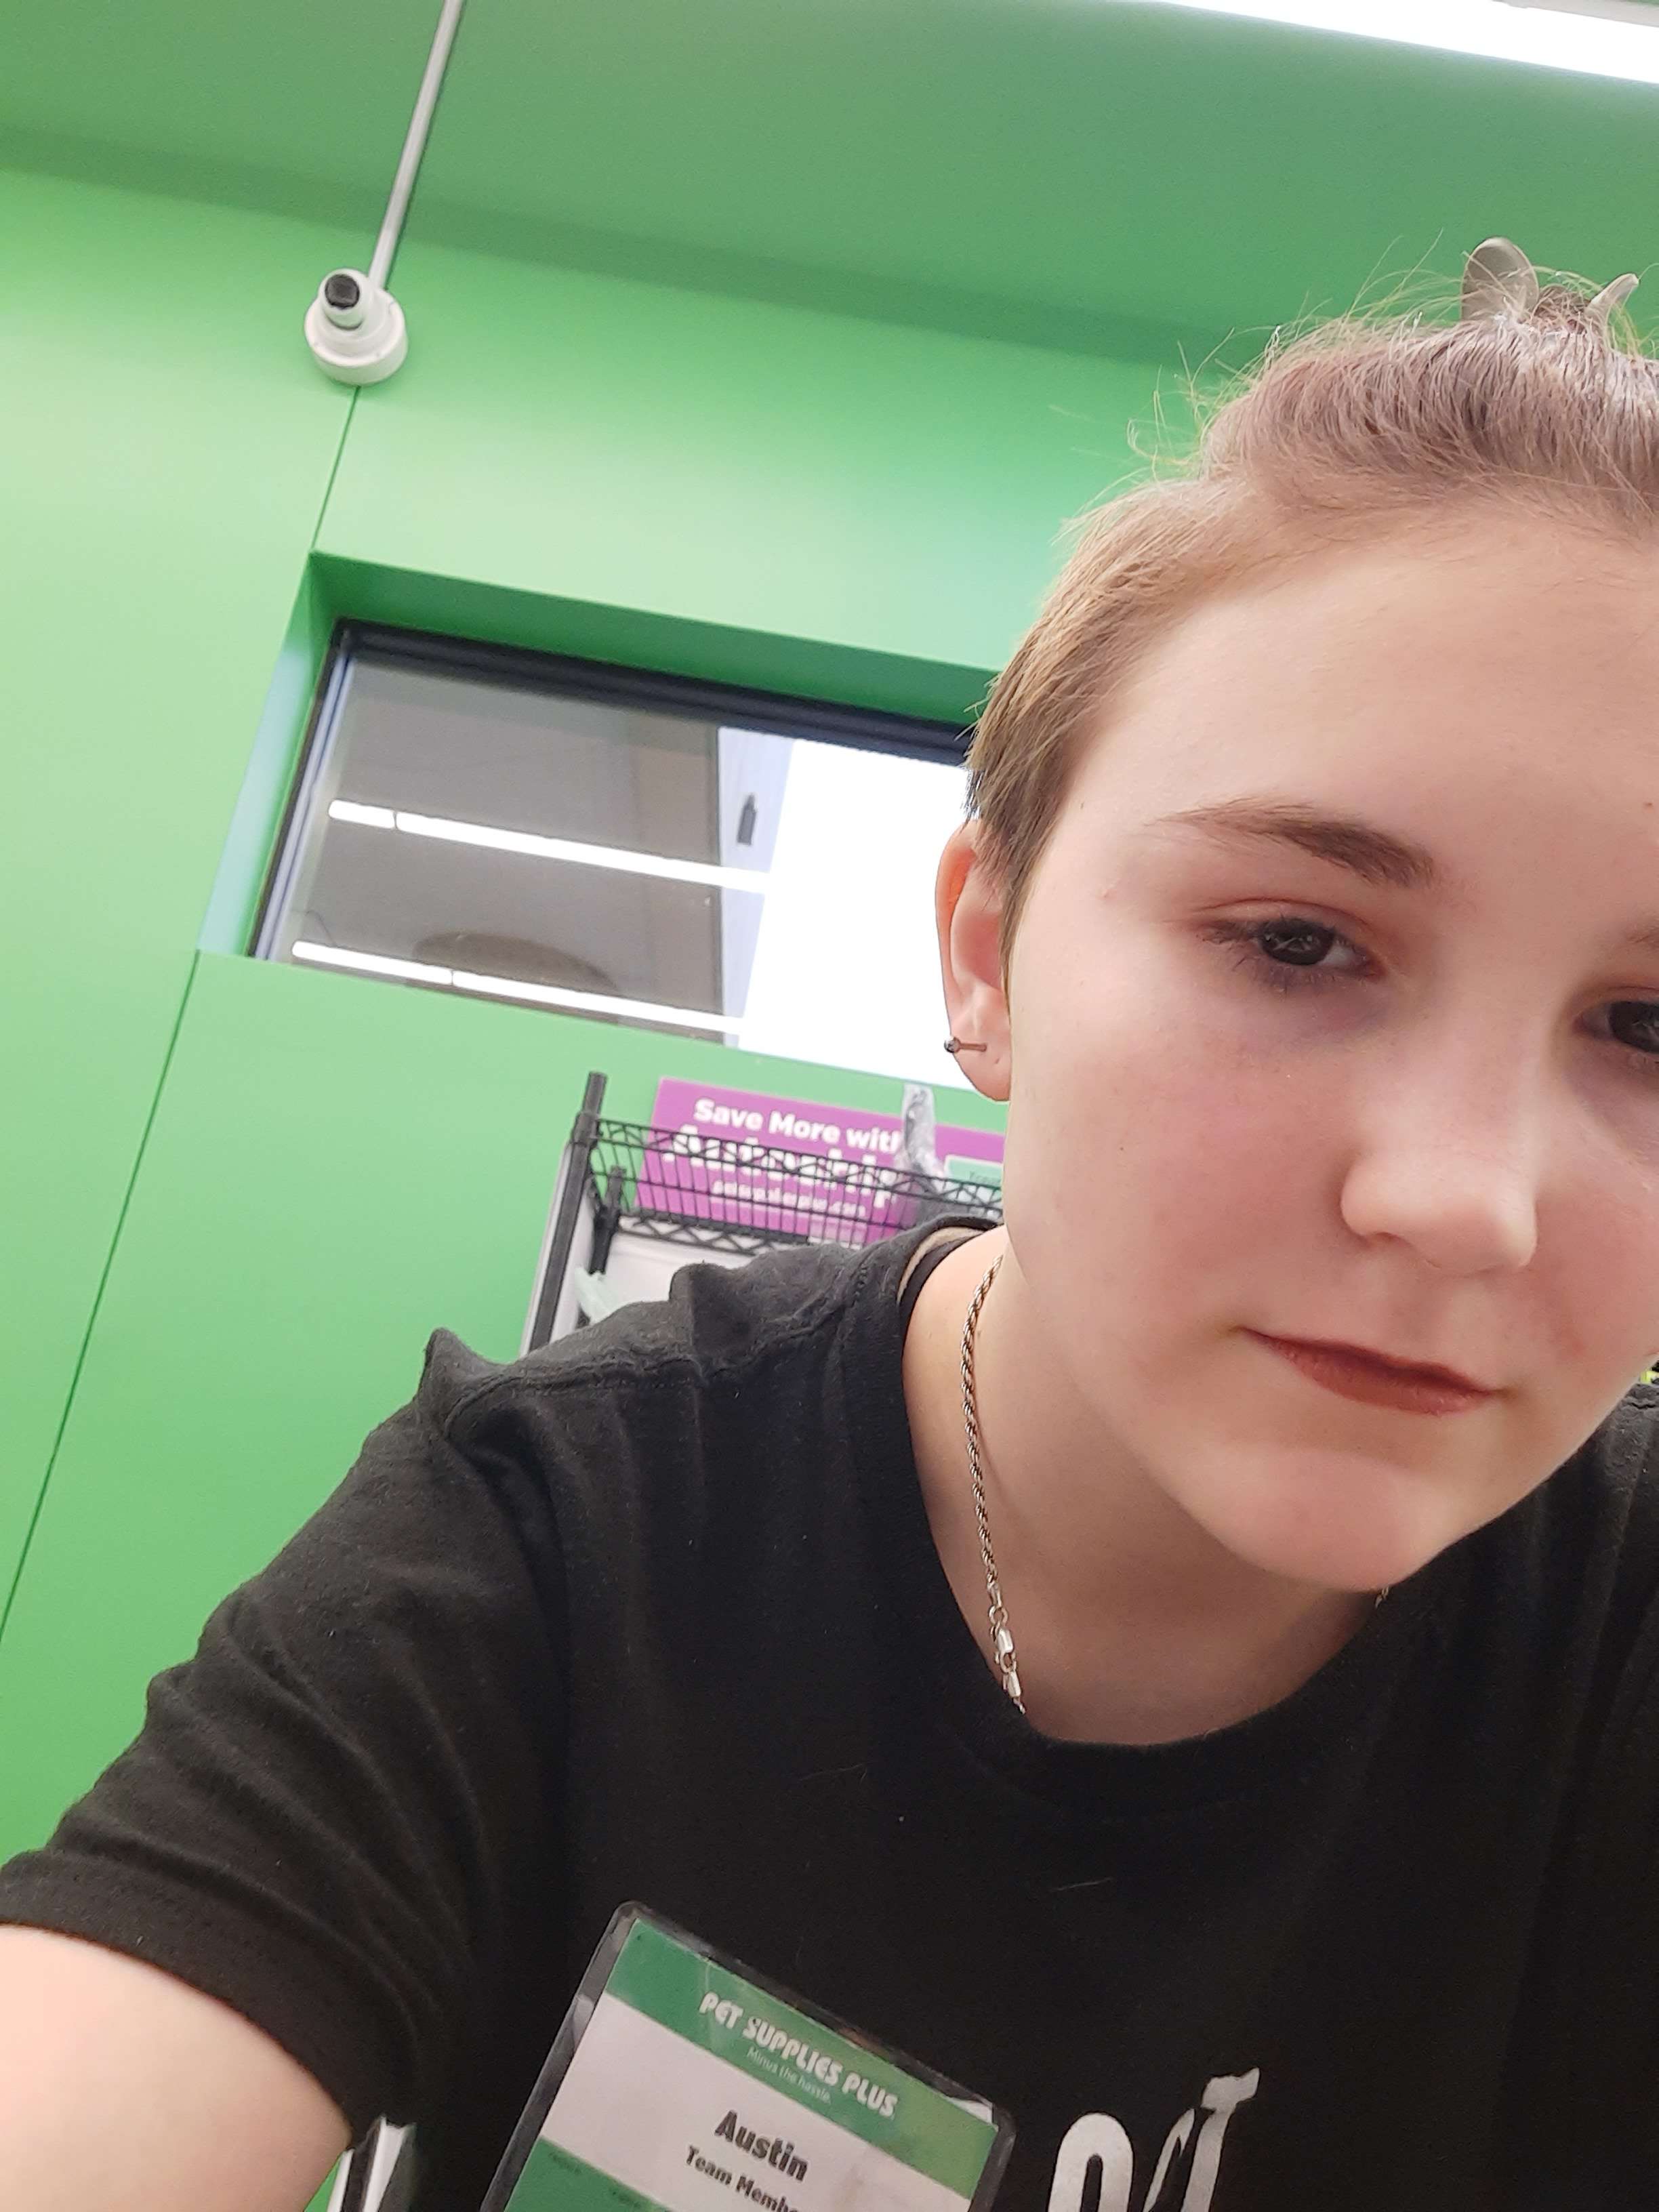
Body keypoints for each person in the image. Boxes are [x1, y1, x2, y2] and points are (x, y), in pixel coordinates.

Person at [5, 235, 1659, 2212]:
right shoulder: (561, 1543)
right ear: (989, 953)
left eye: (1649, 1029)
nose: (1463, 1202)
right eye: (1297, 942)